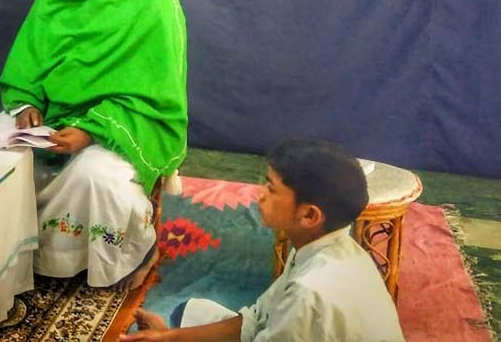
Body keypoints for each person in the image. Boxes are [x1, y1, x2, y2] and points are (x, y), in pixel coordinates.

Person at [0, 0, 188, 288]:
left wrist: (90, 132)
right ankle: (13, 254)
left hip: (122, 120)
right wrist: (27, 103)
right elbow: (30, 55)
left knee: (94, 176)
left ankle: (131, 254)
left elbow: (154, 91)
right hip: (53, 116)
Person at [121, 138, 404, 342]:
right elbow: (256, 319)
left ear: (309, 215)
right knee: (187, 313)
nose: (260, 194)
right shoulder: (328, 247)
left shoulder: (308, 294)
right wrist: (169, 337)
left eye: (271, 188)